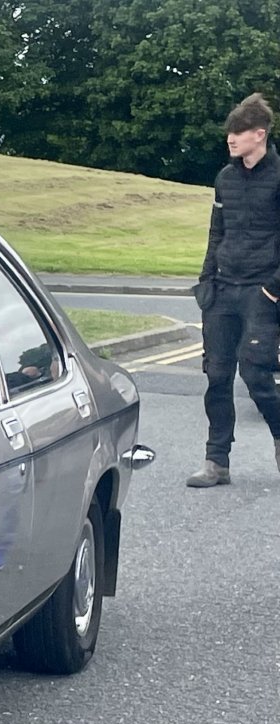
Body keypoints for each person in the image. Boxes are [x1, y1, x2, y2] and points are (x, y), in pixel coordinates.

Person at [187, 92, 280, 487]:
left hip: (262, 290)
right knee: (217, 375)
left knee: (256, 372)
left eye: (239, 132)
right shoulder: (225, 178)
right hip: (222, 289)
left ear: (259, 134)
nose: (231, 138)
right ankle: (216, 462)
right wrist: (206, 280)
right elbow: (216, 232)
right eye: (230, 132)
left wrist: (273, 291)